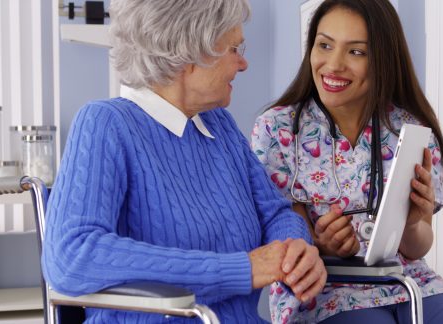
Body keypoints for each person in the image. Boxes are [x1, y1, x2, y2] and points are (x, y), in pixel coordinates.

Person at [41, 0, 327, 322]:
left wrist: (294, 254)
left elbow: (275, 213)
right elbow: (72, 255)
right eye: (234, 48)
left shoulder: (219, 124)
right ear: (190, 52)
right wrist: (242, 269)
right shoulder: (105, 124)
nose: (244, 63)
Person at [251, 0, 443, 323]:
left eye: (356, 52)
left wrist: (414, 222)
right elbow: (284, 236)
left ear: (383, 60)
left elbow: (418, 247)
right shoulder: (278, 130)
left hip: (408, 282)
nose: (333, 65)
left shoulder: (409, 129)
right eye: (324, 45)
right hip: (326, 289)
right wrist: (320, 243)